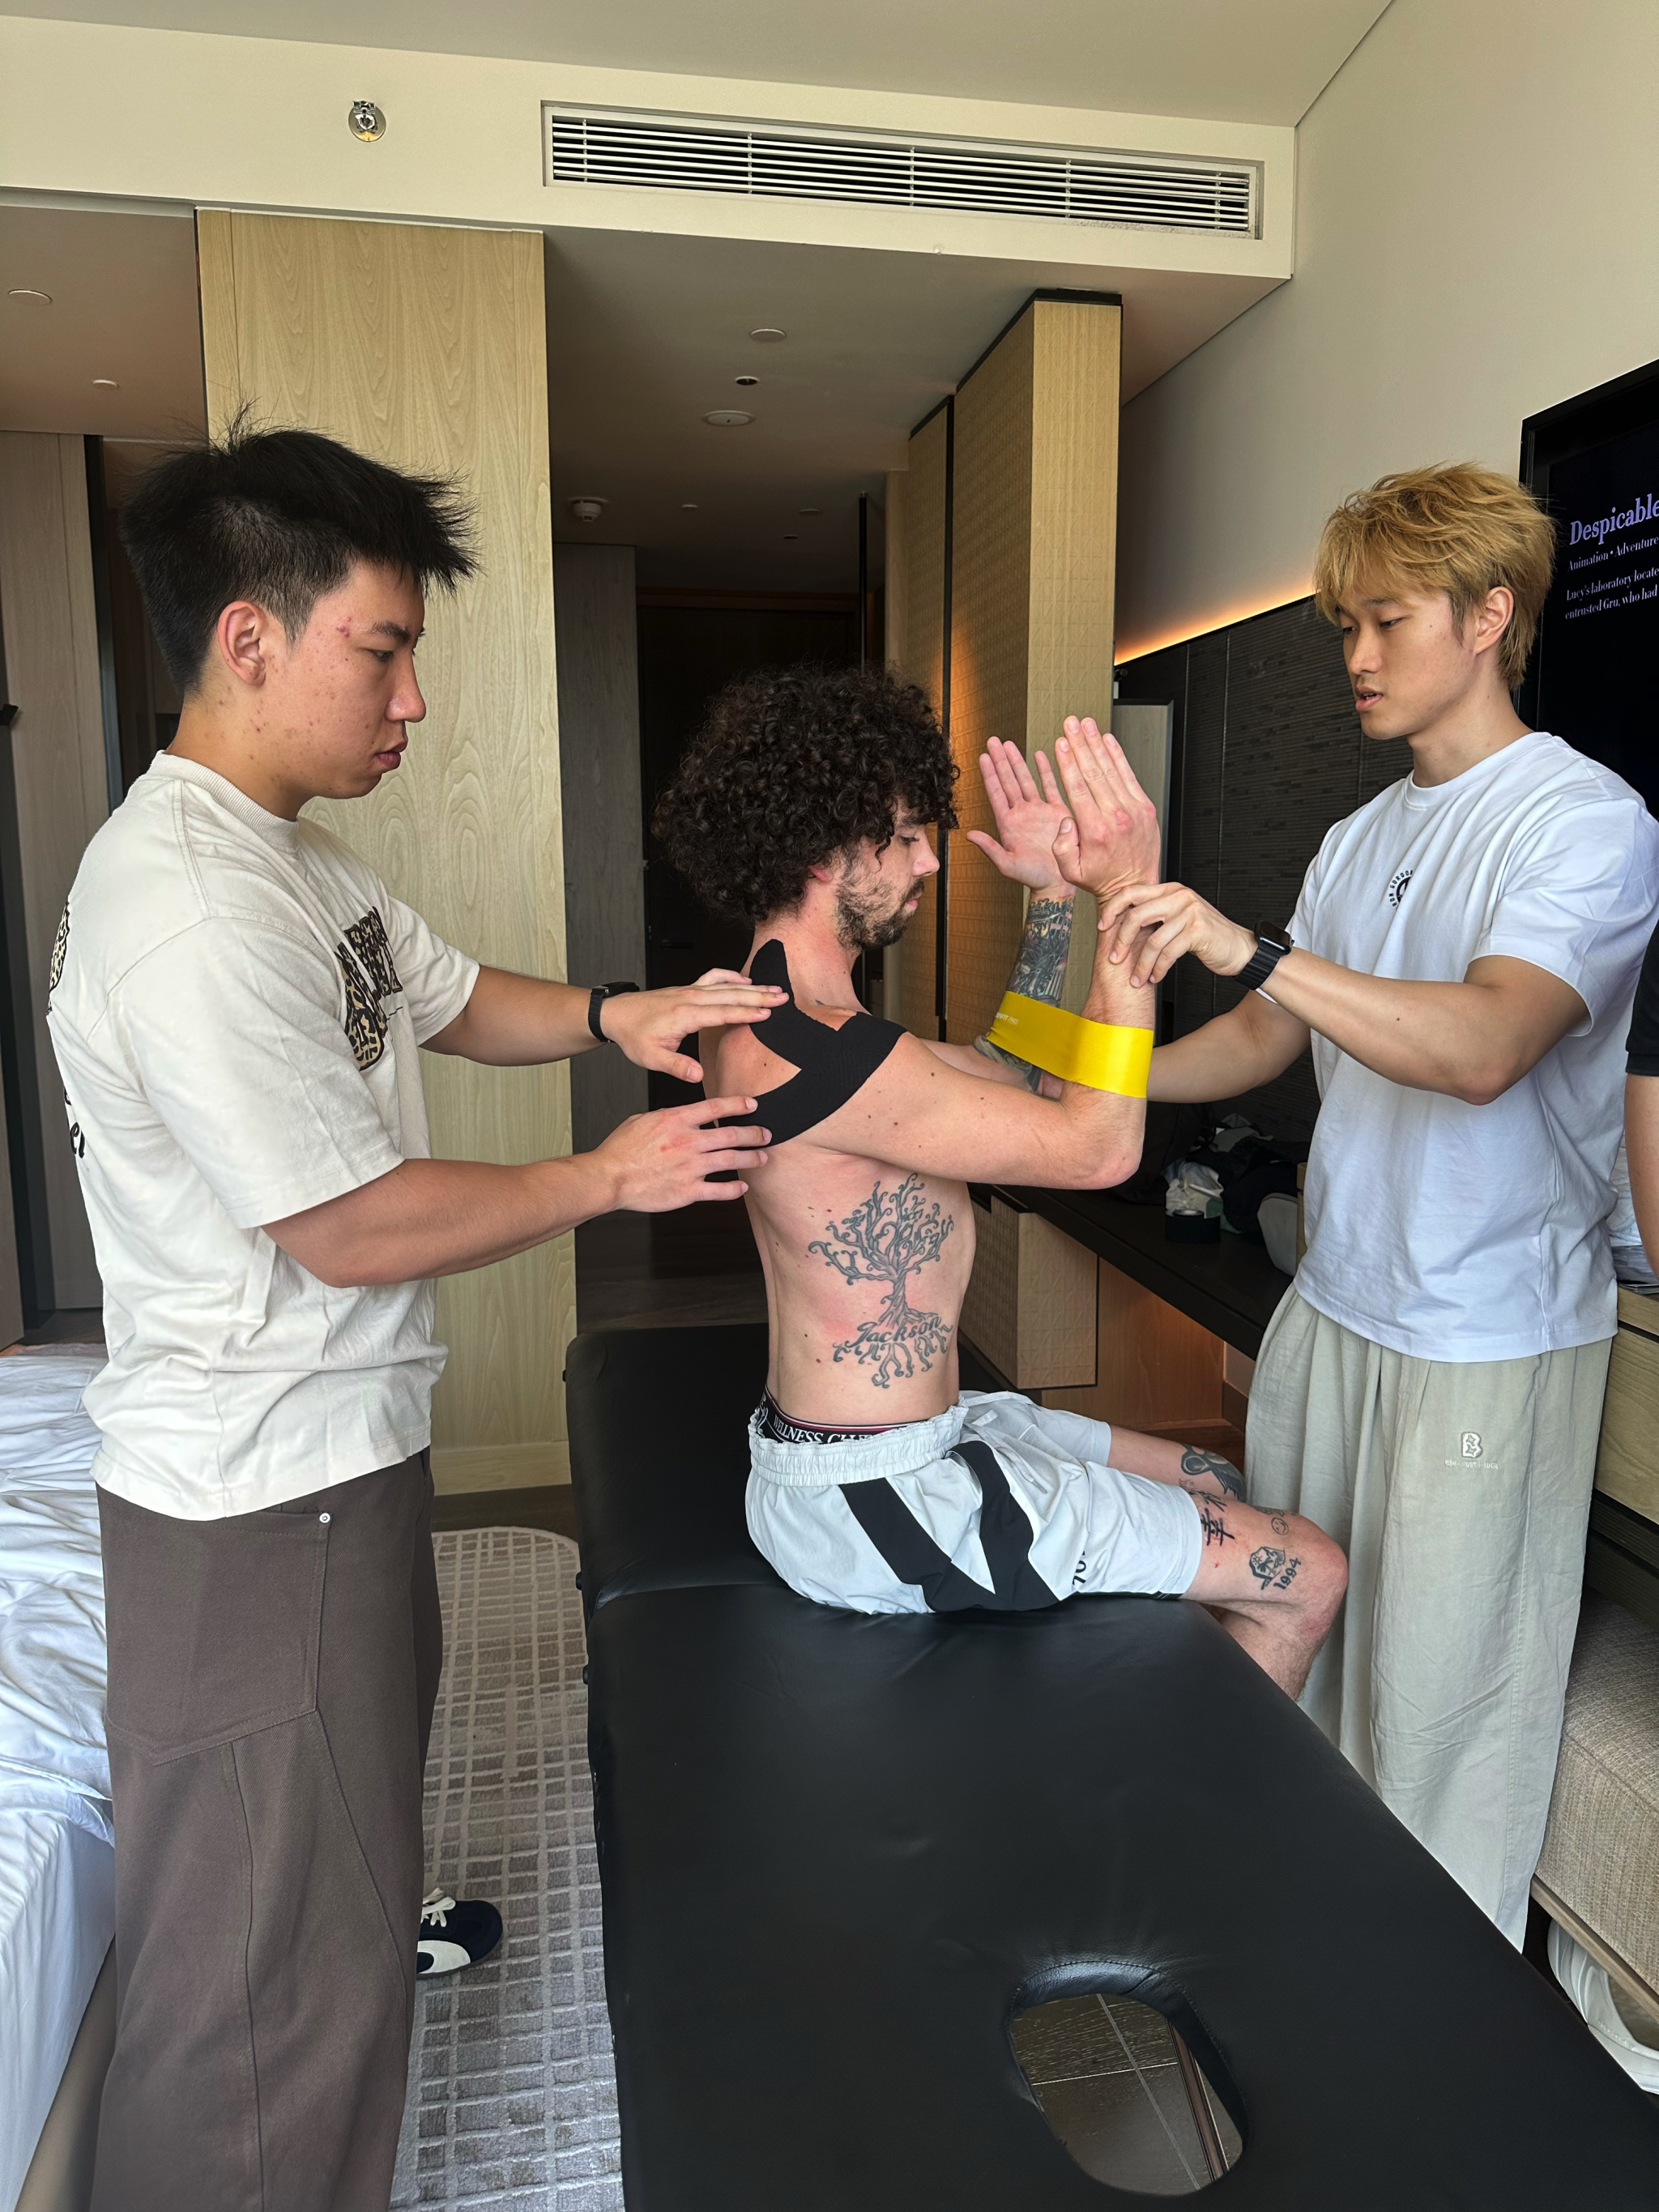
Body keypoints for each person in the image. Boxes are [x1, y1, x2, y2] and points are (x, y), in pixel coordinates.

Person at [48, 425, 779, 2212]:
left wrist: (615, 1013)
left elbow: (444, 997)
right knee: (253, 2005)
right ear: (247, 639)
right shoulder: (189, 908)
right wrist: (605, 1178)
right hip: (252, 1500)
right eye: (381, 650)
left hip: (329, 1464)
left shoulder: (292, 862)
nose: (413, 699)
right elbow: (351, 1224)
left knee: (337, 1907)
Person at [1097, 463, 1659, 1946]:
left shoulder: (1583, 821)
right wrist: (1082, 1077)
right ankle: (1305, 1955)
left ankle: (1426, 2007)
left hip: (1483, 1330)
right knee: (1306, 1647)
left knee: (1439, 1709)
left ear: (1488, 616)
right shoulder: (1358, 837)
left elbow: (1484, 1046)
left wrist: (1250, 946)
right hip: (1335, 1305)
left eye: (1385, 620)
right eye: (1343, 624)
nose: (1354, 655)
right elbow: (1261, 1039)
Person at [653, 662, 1346, 1697]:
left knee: (1214, 1474)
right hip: (879, 1494)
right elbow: (1098, 1150)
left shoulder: (782, 1015)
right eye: (903, 836)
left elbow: (1003, 1071)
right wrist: (1125, 894)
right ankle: (1201, 1797)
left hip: (903, 1441)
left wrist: (1054, 901)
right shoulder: (815, 1051)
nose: (929, 860)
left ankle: (1175, 1710)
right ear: (823, 852)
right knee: (1312, 1572)